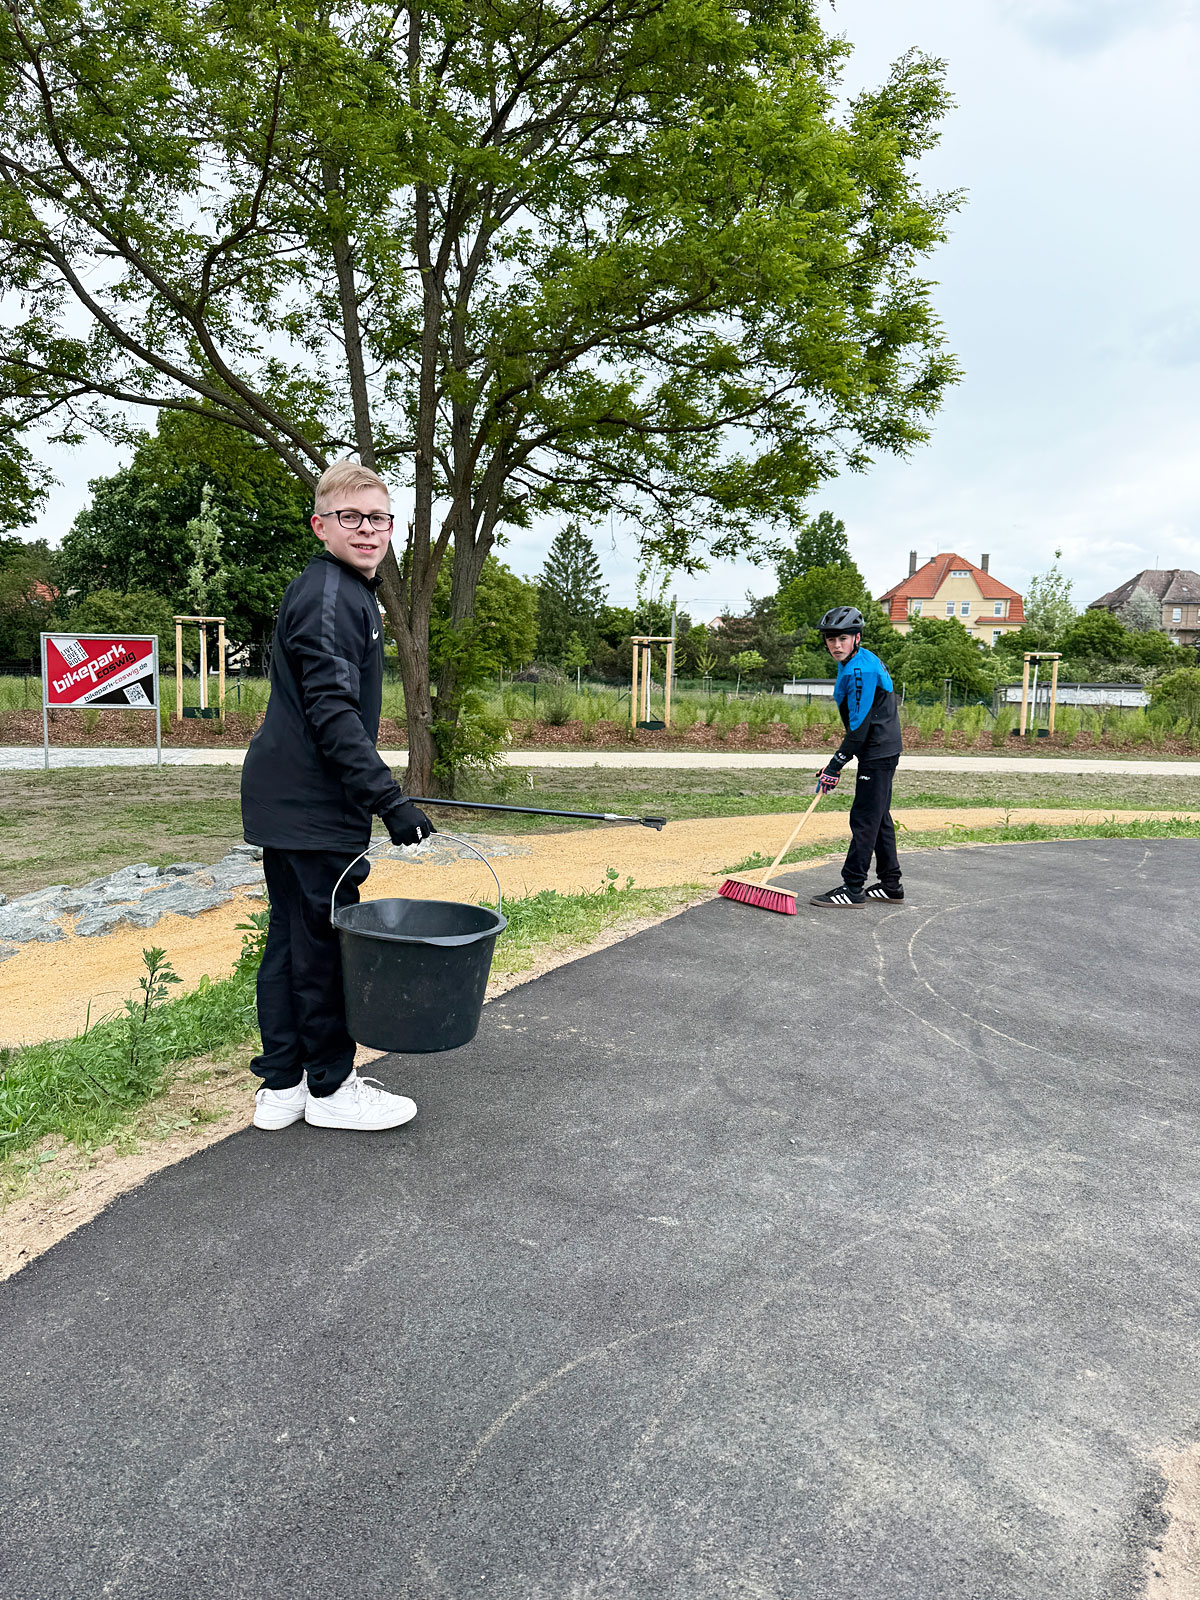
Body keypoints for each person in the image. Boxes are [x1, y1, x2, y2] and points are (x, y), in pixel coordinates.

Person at [241, 460, 435, 1131]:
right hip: (312, 807)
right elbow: (332, 711)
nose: (367, 529)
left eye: (378, 517)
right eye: (351, 517)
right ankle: (329, 1087)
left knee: (293, 942)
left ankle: (283, 1087)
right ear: (321, 524)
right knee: (320, 946)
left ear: (391, 527)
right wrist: (389, 800)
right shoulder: (332, 596)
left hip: (293, 803)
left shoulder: (344, 591)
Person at [808, 606, 904, 909]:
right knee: (878, 819)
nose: (836, 645)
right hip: (880, 749)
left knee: (864, 819)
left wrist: (835, 765)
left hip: (877, 751)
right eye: (830, 639)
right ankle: (891, 884)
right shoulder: (857, 660)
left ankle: (852, 887)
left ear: (856, 637)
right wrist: (836, 762)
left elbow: (859, 728)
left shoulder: (860, 671)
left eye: (843, 638)